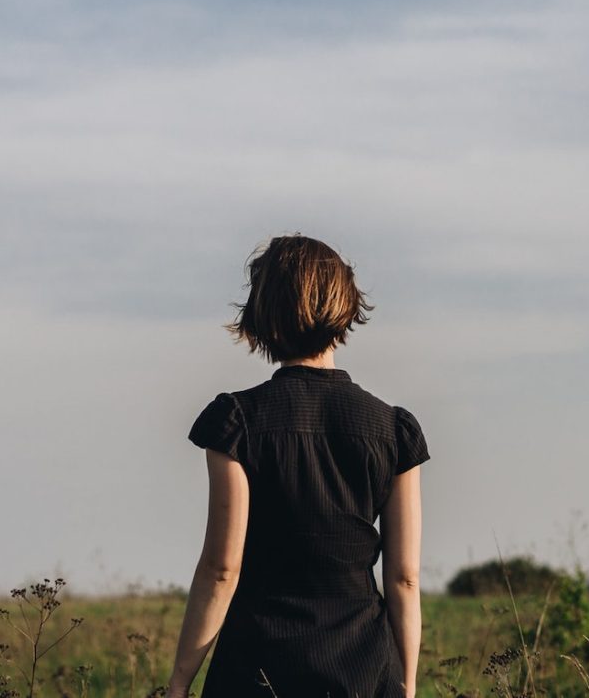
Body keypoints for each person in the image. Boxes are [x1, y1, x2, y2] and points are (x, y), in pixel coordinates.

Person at [165, 235, 430, 698]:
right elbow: (404, 578)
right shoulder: (394, 430)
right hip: (364, 671)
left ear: (262, 315)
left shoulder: (236, 423)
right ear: (345, 307)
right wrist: (406, 684)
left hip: (257, 669)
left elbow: (221, 569)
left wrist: (180, 682)